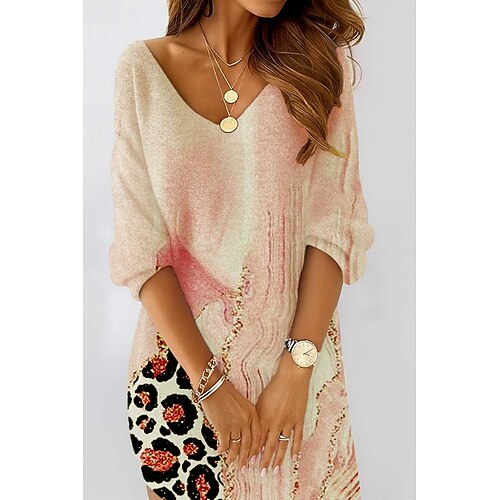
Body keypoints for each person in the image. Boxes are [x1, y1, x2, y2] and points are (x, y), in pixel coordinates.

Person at [109, 0, 375, 498]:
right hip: (180, 384)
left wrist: (296, 371)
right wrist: (211, 387)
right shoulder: (142, 70)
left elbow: (333, 226)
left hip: (298, 383)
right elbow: (142, 250)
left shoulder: (318, 64)